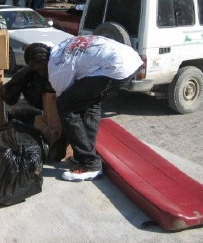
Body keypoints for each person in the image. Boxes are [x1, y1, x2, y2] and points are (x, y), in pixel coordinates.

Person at [25, 35, 143, 182]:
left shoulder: (56, 69)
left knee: (65, 106)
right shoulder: (59, 47)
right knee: (90, 102)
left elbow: (67, 107)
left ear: (43, 61)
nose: (40, 73)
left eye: (38, 69)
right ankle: (87, 153)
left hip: (117, 67)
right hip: (130, 58)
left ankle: (89, 164)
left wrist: (61, 143)